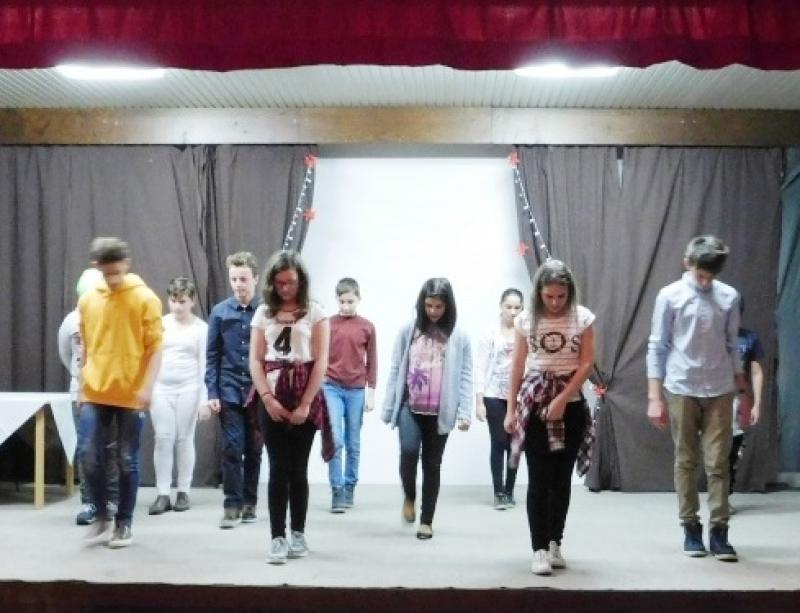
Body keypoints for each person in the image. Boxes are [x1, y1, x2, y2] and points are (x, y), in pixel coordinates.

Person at [647, 235, 750, 562]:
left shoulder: (728, 296)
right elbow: (657, 345)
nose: (705, 282)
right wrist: (654, 397)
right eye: (700, 274)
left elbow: (734, 346)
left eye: (711, 276)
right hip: (681, 386)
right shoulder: (670, 296)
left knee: (719, 461)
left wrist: (743, 392)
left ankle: (720, 531)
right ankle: (690, 527)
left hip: (720, 388)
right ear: (687, 263)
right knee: (686, 459)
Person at [505, 260, 595, 576]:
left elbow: (586, 363)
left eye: (561, 296)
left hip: (570, 404)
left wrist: (562, 398)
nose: (555, 302)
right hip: (535, 402)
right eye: (549, 296)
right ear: (539, 293)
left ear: (569, 293)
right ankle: (539, 548)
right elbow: (517, 365)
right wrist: (511, 409)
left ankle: (556, 541)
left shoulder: (582, 318)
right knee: (539, 479)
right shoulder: (526, 320)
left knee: (561, 480)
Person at [249, 250, 333, 564]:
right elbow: (256, 359)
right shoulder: (263, 313)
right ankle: (277, 536)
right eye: (280, 283)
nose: (285, 288)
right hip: (271, 394)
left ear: (301, 281)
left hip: (304, 395)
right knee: (277, 469)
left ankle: (298, 532)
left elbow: (321, 361)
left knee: (297, 469)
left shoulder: (315, 312)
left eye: (291, 283)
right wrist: (267, 399)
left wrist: (306, 403)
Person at [78, 237, 163, 548]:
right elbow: (86, 345)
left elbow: (155, 348)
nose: (112, 278)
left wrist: (147, 386)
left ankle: (124, 523)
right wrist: (82, 384)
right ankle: (101, 513)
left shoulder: (145, 298)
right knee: (87, 454)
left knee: (127, 459)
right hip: (95, 389)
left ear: (126, 265)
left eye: (117, 271)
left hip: (131, 392)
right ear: (96, 268)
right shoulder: (88, 300)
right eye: (107, 273)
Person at [382, 278, 472, 540]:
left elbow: (465, 375)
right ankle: (409, 495)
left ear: (448, 306)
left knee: (432, 465)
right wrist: (389, 406)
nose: (433, 311)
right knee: (409, 453)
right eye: (429, 305)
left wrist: (464, 412)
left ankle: (426, 520)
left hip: (440, 413)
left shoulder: (458, 336)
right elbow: (396, 367)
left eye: (439, 306)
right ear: (422, 304)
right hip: (410, 407)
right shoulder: (409, 331)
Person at [206, 252, 264, 529]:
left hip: (258, 392)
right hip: (229, 389)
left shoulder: (266, 312)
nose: (238, 284)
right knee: (232, 447)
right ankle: (231, 504)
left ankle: (249, 502)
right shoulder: (220, 312)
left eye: (243, 279)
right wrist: (212, 392)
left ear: (255, 279)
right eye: (234, 279)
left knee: (254, 449)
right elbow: (212, 356)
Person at [58, 267, 120, 525]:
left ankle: (112, 500)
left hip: (111, 391)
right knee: (87, 448)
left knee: (111, 448)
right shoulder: (71, 321)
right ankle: (90, 502)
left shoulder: (113, 316)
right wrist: (80, 378)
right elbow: (65, 353)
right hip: (81, 392)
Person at [148, 277, 209, 515]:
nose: (177, 306)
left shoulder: (201, 329)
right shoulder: (160, 324)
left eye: (182, 301)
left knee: (184, 439)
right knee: (163, 438)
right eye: (173, 301)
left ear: (192, 301)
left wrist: (204, 399)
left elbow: (204, 365)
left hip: (189, 388)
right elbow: (150, 357)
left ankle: (183, 490)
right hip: (161, 388)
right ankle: (163, 493)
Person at [324, 277, 377, 513]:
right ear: (337, 300)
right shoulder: (328, 325)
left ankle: (349, 487)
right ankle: (336, 489)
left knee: (353, 441)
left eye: (350, 301)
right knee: (335, 437)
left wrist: (371, 393)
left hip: (356, 389)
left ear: (358, 299)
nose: (346, 306)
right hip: (331, 386)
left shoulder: (367, 327)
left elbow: (372, 362)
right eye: (342, 301)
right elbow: (319, 356)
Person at [475, 288, 524, 510]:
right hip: (494, 394)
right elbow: (480, 367)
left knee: (515, 444)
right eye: (509, 307)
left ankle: (509, 490)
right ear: (501, 306)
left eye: (517, 307)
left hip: (519, 396)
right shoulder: (490, 333)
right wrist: (479, 401)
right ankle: (498, 492)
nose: (513, 312)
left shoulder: (526, 333)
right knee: (499, 441)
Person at [729, 298, 764, 497]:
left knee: (735, 446)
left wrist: (756, 404)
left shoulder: (749, 338)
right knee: (715, 447)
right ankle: (718, 492)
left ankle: (726, 492)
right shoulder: (714, 336)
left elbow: (757, 372)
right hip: (714, 396)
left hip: (738, 397)